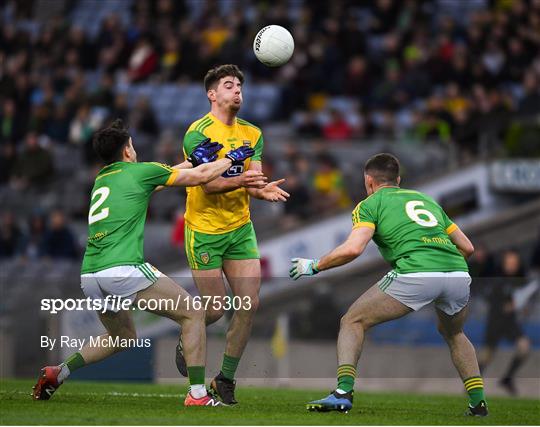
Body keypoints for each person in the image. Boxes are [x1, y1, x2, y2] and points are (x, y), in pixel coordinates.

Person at [32, 119, 256, 407]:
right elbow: (200, 178)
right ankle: (197, 394)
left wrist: (190, 161)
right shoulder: (140, 171)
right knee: (193, 314)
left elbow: (162, 178)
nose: (135, 150)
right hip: (122, 269)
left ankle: (58, 372)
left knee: (122, 336)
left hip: (90, 275)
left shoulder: (103, 179)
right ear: (127, 151)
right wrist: (229, 159)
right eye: (132, 145)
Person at [289, 153, 488, 416]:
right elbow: (468, 247)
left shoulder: (370, 204)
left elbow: (353, 249)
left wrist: (314, 266)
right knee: (454, 334)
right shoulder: (426, 200)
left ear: (368, 181)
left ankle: (342, 393)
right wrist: (440, 268)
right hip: (458, 274)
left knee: (352, 321)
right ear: (398, 180)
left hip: (416, 272)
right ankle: (478, 404)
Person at [175, 64, 289, 405]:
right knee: (214, 310)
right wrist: (243, 182)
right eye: (229, 85)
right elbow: (206, 184)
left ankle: (224, 379)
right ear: (213, 94)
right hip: (204, 230)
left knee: (249, 304)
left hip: (240, 230)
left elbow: (253, 178)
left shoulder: (252, 133)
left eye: (239, 85)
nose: (237, 90)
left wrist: (262, 190)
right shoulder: (197, 133)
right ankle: (187, 335)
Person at [478, 249, 531, 395]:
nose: (511, 265)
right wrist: (504, 305)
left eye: (514, 263)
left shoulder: (520, 279)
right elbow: (489, 297)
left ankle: (507, 379)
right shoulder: (497, 278)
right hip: (495, 320)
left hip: (510, 322)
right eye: (509, 262)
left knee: (524, 346)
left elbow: (525, 296)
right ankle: (473, 385)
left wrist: (522, 306)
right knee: (487, 356)